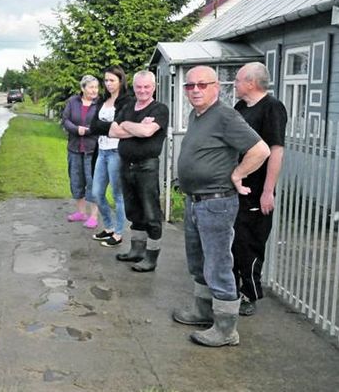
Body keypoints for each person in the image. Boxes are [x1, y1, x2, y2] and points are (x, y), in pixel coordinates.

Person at [173, 65, 270, 347]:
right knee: (199, 261)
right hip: (195, 200)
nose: (195, 90)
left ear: (216, 87)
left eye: (202, 85)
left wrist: (238, 174)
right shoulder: (197, 115)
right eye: (190, 86)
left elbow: (261, 150)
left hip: (216, 202)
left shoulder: (225, 115)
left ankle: (226, 329)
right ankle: (203, 312)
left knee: (218, 264)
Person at [232, 62, 287, 316]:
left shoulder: (272, 108)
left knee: (250, 243)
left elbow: (275, 151)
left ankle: (249, 294)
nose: (234, 83)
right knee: (233, 241)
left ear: (251, 83)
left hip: (257, 189)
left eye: (238, 79)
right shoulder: (241, 107)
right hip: (236, 186)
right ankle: (230, 289)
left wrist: (268, 191)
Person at [108, 70, 168, 272]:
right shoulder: (127, 106)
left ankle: (151, 257)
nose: (142, 91)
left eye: (147, 87)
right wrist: (132, 127)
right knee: (133, 210)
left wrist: (126, 126)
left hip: (147, 166)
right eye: (138, 87)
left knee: (151, 213)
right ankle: (136, 250)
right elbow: (112, 131)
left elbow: (147, 131)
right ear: (133, 87)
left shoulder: (160, 109)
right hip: (126, 165)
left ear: (154, 87)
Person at [89, 66, 131, 247]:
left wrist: (106, 127)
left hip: (116, 152)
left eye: (112, 80)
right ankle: (109, 227)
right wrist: (109, 127)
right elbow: (93, 126)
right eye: (105, 80)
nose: (108, 84)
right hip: (102, 151)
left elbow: (121, 127)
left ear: (120, 81)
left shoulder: (127, 101)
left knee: (117, 194)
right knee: (96, 192)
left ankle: (119, 232)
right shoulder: (102, 101)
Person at [62, 75, 100, 228]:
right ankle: (81, 212)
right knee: (76, 181)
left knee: (93, 183)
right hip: (74, 148)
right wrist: (77, 129)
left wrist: (88, 131)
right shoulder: (73, 101)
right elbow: (65, 120)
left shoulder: (100, 104)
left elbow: (102, 124)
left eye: (96, 87)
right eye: (91, 87)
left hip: (92, 150)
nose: (94, 90)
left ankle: (94, 216)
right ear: (83, 88)